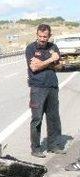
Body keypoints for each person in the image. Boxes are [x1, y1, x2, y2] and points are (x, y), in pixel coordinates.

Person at [25, 23, 64, 158]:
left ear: (49, 36)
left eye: (45, 36)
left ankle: (53, 145)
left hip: (52, 86)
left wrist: (45, 63)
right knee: (37, 118)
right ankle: (35, 148)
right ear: (37, 35)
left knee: (53, 118)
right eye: (40, 36)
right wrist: (51, 60)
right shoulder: (31, 48)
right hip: (38, 88)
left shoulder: (54, 47)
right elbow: (34, 68)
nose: (42, 39)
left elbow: (60, 67)